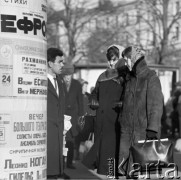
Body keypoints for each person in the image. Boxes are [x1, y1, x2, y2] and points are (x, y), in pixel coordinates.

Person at [82, 44, 128, 177]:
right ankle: (104, 170)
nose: (111, 62)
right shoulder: (102, 75)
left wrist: (122, 103)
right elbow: (94, 93)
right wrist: (93, 100)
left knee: (110, 147)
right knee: (101, 147)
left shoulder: (124, 75)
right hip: (100, 118)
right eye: (109, 59)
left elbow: (130, 95)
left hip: (114, 118)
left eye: (114, 59)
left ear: (120, 58)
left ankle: (110, 171)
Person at [118, 45, 164, 177]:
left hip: (142, 132)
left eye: (126, 59)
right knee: (125, 170)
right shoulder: (129, 78)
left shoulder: (151, 77)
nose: (125, 63)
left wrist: (152, 129)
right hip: (126, 132)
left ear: (133, 58)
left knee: (141, 171)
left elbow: (156, 105)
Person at [47, 48, 66, 179]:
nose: (62, 65)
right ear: (50, 63)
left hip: (59, 132)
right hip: (47, 133)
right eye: (60, 62)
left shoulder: (61, 81)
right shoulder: (40, 81)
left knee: (55, 172)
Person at [61, 64, 84, 169]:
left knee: (70, 140)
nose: (67, 77)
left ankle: (69, 162)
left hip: (73, 117)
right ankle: (60, 162)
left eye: (69, 75)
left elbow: (80, 101)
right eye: (65, 75)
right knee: (60, 139)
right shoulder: (58, 83)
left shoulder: (77, 84)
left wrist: (81, 115)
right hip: (61, 115)